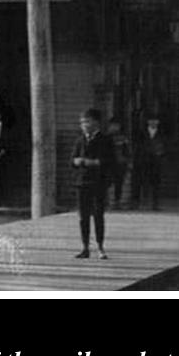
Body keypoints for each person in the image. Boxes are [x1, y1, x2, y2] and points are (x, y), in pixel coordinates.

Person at [71, 108, 115, 259]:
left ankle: (100, 247)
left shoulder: (105, 139)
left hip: (98, 182)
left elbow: (111, 161)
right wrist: (76, 161)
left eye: (87, 121)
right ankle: (85, 247)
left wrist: (94, 162)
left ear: (96, 122)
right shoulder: (79, 140)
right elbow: (72, 160)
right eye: (82, 122)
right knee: (83, 216)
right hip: (82, 182)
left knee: (98, 214)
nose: (84, 125)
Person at [132, 113, 168, 210]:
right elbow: (137, 146)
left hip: (156, 161)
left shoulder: (162, 132)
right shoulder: (141, 132)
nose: (153, 122)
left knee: (156, 183)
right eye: (151, 120)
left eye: (155, 120)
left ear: (158, 122)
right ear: (148, 122)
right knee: (140, 181)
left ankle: (155, 204)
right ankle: (137, 203)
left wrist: (161, 154)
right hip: (143, 160)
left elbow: (164, 146)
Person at [106, 116, 131, 207]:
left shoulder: (123, 137)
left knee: (119, 183)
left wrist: (127, 160)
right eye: (113, 125)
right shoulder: (105, 137)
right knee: (107, 182)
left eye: (117, 125)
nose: (115, 127)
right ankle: (106, 201)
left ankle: (117, 201)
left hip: (120, 163)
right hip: (108, 163)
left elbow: (127, 150)